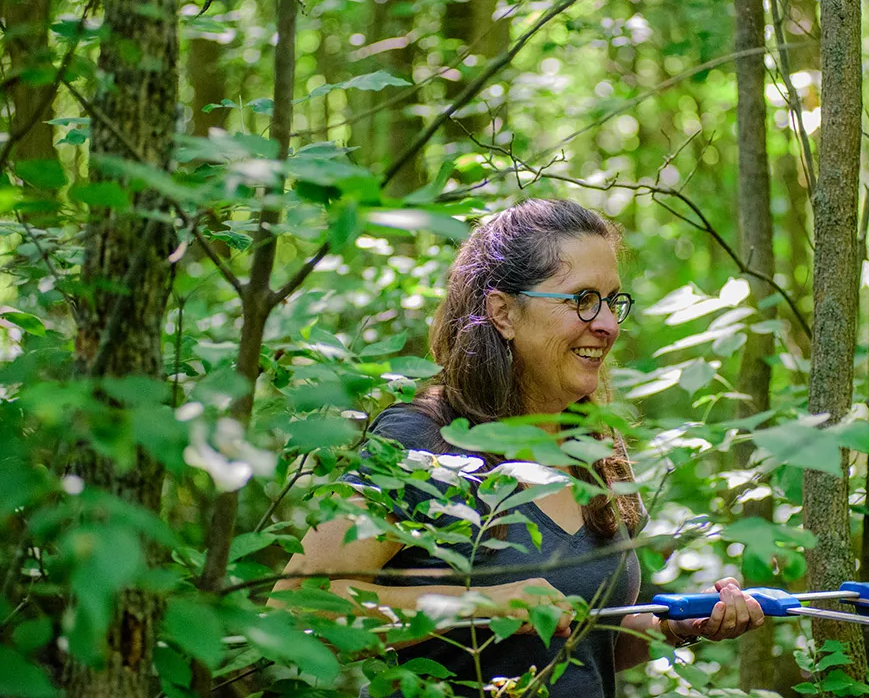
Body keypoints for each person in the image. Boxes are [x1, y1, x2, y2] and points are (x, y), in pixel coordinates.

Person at [274, 199, 765, 697]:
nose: (609, 325)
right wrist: (478, 604)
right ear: (504, 312)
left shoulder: (596, 446)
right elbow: (301, 605)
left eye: (613, 301)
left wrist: (678, 627)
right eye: (581, 299)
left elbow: (588, 641)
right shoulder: (420, 441)